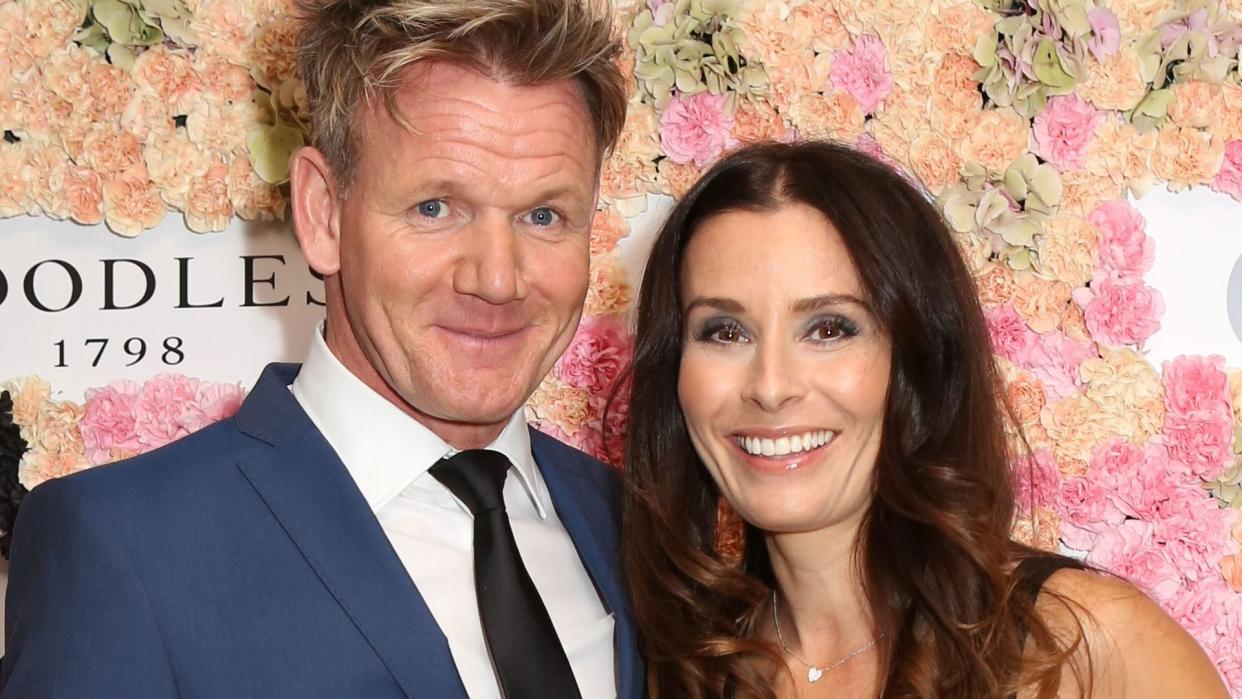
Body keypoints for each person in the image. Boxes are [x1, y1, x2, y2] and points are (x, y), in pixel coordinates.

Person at [2, 1, 642, 697]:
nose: (496, 279)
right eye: (436, 208)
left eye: (543, 215)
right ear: (322, 212)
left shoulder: (633, 527)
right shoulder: (125, 546)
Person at [621, 141, 1227, 698]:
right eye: (724, 332)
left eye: (830, 328)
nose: (771, 386)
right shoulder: (689, 671)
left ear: (915, 361)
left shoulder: (1089, 646)